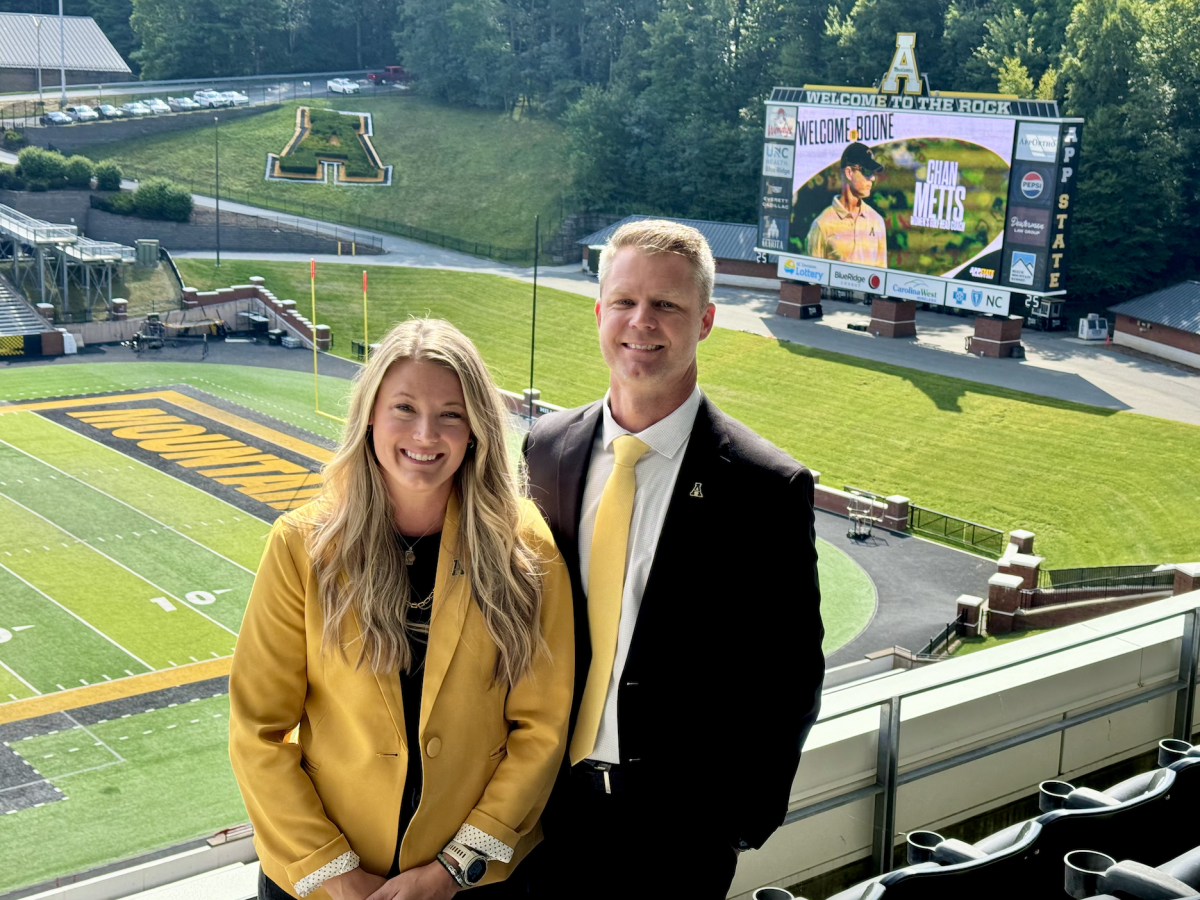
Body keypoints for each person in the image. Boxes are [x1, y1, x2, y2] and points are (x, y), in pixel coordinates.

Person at [522, 220, 825, 899]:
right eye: (625, 302)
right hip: (539, 814)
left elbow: (790, 674)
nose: (642, 322)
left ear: (706, 320)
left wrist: (736, 823)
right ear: (599, 312)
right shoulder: (547, 448)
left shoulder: (764, 486)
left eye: (667, 306)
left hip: (675, 838)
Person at [229, 319, 573, 900]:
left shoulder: (526, 546)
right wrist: (337, 875)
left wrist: (451, 870)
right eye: (404, 408)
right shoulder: (301, 545)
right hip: (322, 883)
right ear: (369, 416)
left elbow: (541, 729)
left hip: (473, 882)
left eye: (451, 414)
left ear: (476, 431)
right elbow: (258, 730)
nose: (426, 433)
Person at [805, 142, 888, 267]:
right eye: (867, 171)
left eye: (873, 173)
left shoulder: (877, 221)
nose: (872, 178)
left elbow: (881, 278)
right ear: (849, 173)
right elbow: (812, 279)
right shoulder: (821, 225)